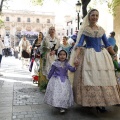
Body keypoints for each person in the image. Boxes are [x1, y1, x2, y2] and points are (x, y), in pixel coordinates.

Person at [69, 9, 120, 113]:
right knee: (91, 78)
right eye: (93, 15)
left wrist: (114, 54)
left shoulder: (101, 30)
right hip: (89, 56)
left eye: (97, 15)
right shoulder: (85, 30)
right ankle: (91, 102)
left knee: (102, 78)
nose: (95, 17)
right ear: (89, 16)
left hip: (102, 57)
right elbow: (79, 45)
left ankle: (101, 103)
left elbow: (107, 44)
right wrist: (77, 57)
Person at [40, 26, 60, 90]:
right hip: (47, 55)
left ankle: (53, 85)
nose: (52, 30)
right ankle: (47, 84)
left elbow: (59, 47)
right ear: (49, 30)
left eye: (53, 29)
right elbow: (42, 47)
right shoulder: (46, 38)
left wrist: (54, 51)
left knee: (54, 69)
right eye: (51, 29)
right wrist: (47, 50)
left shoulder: (57, 39)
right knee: (48, 69)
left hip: (54, 56)